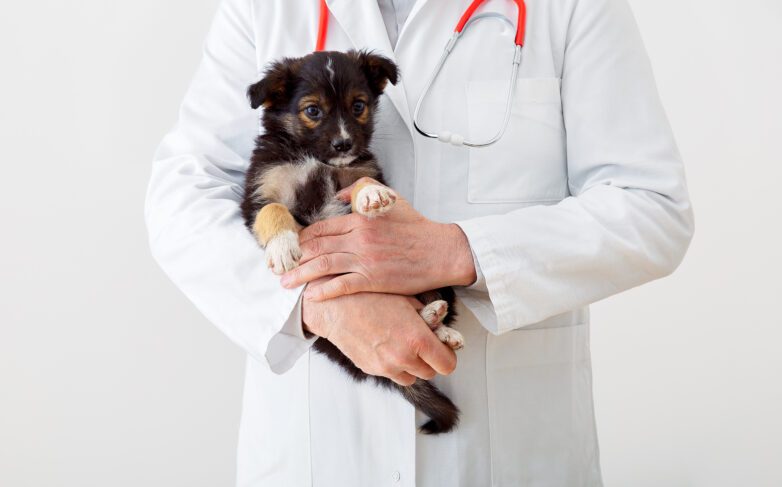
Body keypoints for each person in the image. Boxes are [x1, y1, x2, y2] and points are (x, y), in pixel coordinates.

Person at [145, 0, 694, 485]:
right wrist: (319, 305)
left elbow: (652, 206)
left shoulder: (574, 7)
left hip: (507, 449)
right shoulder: (260, 7)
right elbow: (182, 192)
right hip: (318, 446)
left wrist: (458, 251)